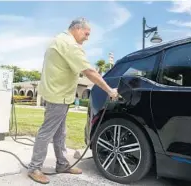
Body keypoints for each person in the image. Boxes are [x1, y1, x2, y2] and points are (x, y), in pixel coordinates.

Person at [28, 17, 119, 184]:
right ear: (77, 29)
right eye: (86, 33)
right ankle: (34, 167)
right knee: (47, 132)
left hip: (56, 93)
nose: (87, 37)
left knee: (59, 132)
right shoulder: (70, 45)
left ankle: (62, 163)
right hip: (58, 95)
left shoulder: (59, 39)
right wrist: (109, 90)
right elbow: (89, 71)